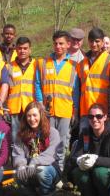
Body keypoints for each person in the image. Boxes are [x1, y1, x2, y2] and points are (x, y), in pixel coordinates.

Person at [34, 30, 80, 174]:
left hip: (65, 111)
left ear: (68, 45)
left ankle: (59, 173)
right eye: (55, 43)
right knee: (46, 141)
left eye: (61, 43)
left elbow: (76, 91)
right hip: (47, 112)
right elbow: (37, 84)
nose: (58, 46)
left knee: (62, 143)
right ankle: (47, 170)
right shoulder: (43, 63)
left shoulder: (74, 65)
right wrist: (40, 103)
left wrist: (75, 110)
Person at [70, 104, 110, 196]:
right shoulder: (85, 133)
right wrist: (79, 161)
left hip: (107, 174)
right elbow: (74, 157)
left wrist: (96, 160)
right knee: (77, 172)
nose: (94, 119)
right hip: (90, 174)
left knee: (99, 172)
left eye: (98, 116)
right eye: (91, 117)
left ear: (104, 117)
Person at [12, 102, 62, 196]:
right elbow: (18, 153)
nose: (32, 119)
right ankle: (29, 193)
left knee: (41, 170)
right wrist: (21, 164)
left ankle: (47, 193)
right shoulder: (21, 135)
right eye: (29, 116)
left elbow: (51, 154)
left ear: (41, 115)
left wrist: (35, 161)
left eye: (35, 115)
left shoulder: (53, 132)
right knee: (17, 172)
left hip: (49, 168)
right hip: (29, 168)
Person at [77, 27, 110, 131]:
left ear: (103, 42)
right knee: (85, 144)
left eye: (97, 41)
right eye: (91, 41)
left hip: (103, 113)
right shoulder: (82, 63)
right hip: (86, 112)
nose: (94, 44)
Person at [6, 36, 37, 143]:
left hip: (32, 108)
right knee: (16, 139)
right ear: (16, 50)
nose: (22, 51)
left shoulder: (37, 65)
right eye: (20, 48)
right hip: (15, 108)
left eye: (25, 48)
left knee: (33, 138)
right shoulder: (8, 67)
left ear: (30, 49)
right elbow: (5, 88)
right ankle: (16, 160)